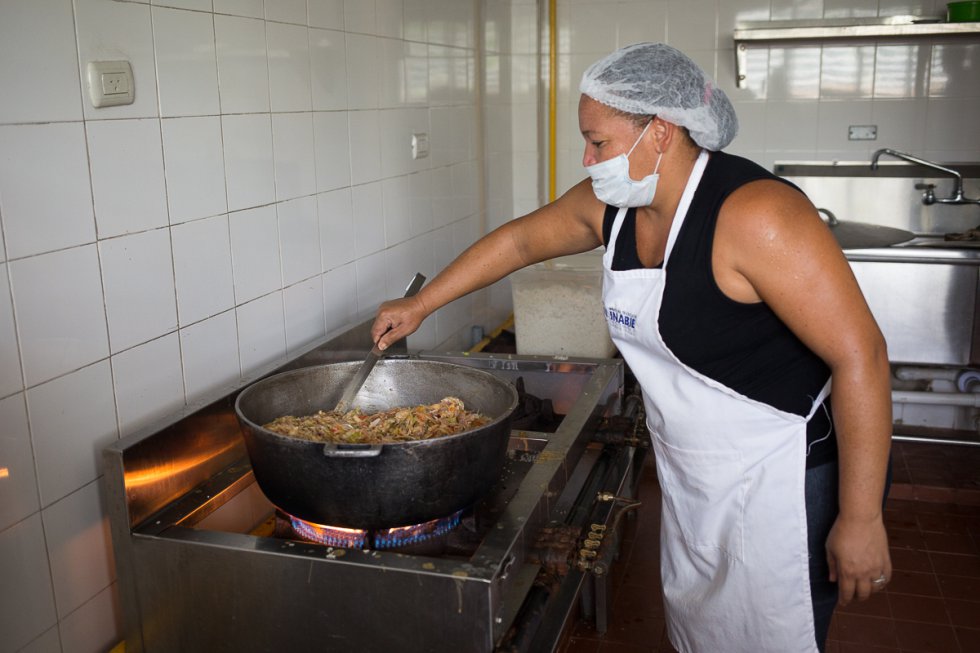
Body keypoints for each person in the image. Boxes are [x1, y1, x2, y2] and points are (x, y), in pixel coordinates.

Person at [371, 42, 892, 653]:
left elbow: (862, 356)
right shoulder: (617, 206)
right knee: (705, 633)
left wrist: (861, 518)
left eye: (598, 142)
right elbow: (520, 243)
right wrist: (422, 304)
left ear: (661, 132)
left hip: (781, 476)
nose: (587, 159)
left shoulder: (756, 214)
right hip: (696, 471)